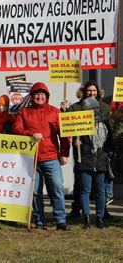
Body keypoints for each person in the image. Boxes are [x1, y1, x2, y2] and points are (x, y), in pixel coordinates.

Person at [13, 82, 71, 231]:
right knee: (35, 191)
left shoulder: (55, 112)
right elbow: (17, 129)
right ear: (32, 97)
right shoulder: (24, 112)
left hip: (51, 157)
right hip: (32, 158)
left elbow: (64, 134)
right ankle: (39, 220)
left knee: (57, 188)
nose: (40, 97)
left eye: (42, 94)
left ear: (47, 97)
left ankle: (60, 220)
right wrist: (30, 133)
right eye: (37, 94)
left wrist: (64, 153)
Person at [64, 80, 111, 219]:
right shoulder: (76, 107)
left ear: (98, 92)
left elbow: (108, 129)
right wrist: (65, 110)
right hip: (82, 153)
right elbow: (67, 126)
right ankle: (77, 209)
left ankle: (102, 212)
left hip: (100, 155)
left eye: (94, 90)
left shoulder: (104, 107)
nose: (92, 93)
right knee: (81, 184)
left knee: (101, 187)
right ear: (84, 92)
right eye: (89, 90)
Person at [73, 98, 111, 229]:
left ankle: (100, 218)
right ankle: (87, 218)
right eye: (87, 109)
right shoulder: (80, 122)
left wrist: (107, 155)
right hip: (85, 160)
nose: (90, 111)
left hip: (100, 160)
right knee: (85, 190)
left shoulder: (105, 122)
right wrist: (76, 143)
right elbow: (74, 137)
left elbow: (109, 142)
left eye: (92, 109)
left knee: (101, 191)